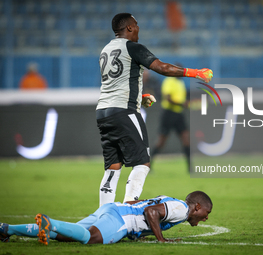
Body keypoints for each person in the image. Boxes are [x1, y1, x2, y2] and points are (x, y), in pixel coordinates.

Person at [96, 13, 213, 206]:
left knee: (112, 167)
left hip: (103, 111)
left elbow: (115, 84)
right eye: (136, 24)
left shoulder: (105, 50)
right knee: (142, 162)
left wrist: (139, 97)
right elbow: (162, 68)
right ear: (130, 28)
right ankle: (129, 208)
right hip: (124, 111)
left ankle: (102, 213)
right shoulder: (132, 47)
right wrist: (195, 73)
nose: (139, 28)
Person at [0, 191, 212, 245]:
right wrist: (161, 239)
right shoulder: (182, 209)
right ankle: (50, 222)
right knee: (91, 239)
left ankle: (7, 229)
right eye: (206, 214)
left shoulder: (172, 201)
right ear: (198, 207)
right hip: (121, 218)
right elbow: (150, 213)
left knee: (67, 235)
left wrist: (139, 233)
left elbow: (140, 206)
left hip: (113, 209)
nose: (205, 219)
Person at [151, 72, 191, 172]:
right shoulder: (169, 81)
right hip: (168, 113)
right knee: (161, 141)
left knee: (186, 139)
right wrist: (182, 103)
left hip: (178, 114)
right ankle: (148, 165)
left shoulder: (180, 83)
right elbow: (167, 98)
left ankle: (190, 167)